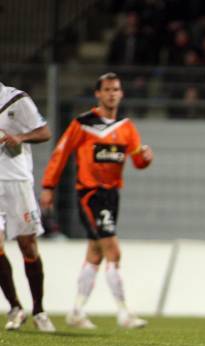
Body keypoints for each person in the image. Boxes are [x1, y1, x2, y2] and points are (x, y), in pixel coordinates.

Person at [40, 73, 154, 329]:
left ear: (121, 94)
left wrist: (146, 157)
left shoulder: (126, 127)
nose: (112, 93)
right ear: (98, 94)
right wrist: (48, 186)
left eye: (116, 89)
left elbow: (137, 161)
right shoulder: (83, 124)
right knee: (113, 250)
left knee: (95, 252)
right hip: (91, 193)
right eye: (107, 89)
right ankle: (124, 313)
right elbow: (61, 153)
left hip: (112, 195)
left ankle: (77, 311)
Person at [0, 81, 56, 332]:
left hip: (17, 182)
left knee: (28, 247)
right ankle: (15, 307)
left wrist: (19, 138)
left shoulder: (16, 99)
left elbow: (44, 132)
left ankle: (39, 310)